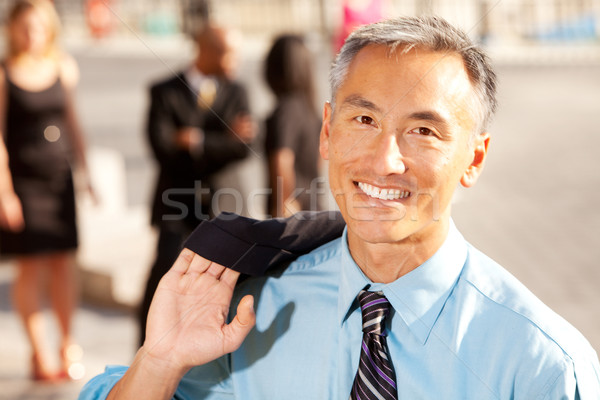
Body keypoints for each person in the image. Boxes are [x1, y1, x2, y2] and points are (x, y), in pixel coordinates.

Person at [80, 16, 600, 399]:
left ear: (474, 158)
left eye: (423, 130)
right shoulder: (246, 318)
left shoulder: (541, 367)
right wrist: (160, 364)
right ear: (328, 132)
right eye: (364, 121)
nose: (385, 161)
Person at [138, 23, 256, 345]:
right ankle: (148, 347)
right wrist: (222, 140)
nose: (236, 60)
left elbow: (244, 148)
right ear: (207, 50)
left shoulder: (238, 92)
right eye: (230, 52)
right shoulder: (164, 91)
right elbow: (161, 147)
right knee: (164, 275)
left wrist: (194, 141)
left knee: (230, 281)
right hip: (176, 205)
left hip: (224, 204)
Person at [0, 0, 93, 382]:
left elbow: (73, 121)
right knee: (31, 266)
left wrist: (87, 172)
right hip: (23, 180)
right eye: (25, 27)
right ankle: (39, 353)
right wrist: (5, 192)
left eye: (38, 27)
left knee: (64, 261)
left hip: (60, 177)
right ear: (13, 29)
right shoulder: (4, 73)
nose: (32, 34)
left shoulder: (62, 66)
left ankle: (67, 344)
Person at [264, 34, 323, 217]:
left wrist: (284, 203)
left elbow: (282, 158)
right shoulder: (309, 110)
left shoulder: (286, 109)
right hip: (312, 206)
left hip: (293, 211)